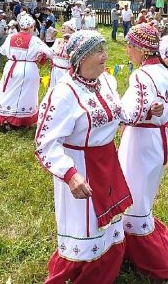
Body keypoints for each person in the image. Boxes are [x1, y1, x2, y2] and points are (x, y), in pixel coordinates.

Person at [35, 31, 134, 284]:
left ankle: (105, 268)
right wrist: (70, 175)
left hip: (108, 161)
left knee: (110, 221)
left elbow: (119, 113)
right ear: (81, 58)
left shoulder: (108, 82)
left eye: (104, 50)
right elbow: (44, 143)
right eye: (99, 51)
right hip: (80, 165)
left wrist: (145, 111)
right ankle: (80, 272)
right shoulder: (63, 93)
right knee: (84, 225)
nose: (106, 56)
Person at [117, 23, 168, 280]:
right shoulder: (164, 70)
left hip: (141, 142)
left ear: (141, 50)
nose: (127, 51)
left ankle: (149, 258)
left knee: (133, 195)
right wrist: (160, 113)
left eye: (130, 46)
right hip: (158, 139)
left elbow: (132, 114)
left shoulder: (141, 76)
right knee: (143, 193)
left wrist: (109, 106)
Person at [0, 15, 54, 129]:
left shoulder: (11, 37)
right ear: (32, 26)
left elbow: (2, 51)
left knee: (8, 91)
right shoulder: (34, 40)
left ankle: (5, 117)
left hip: (11, 66)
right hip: (27, 68)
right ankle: (17, 121)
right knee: (25, 94)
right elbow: (49, 53)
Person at [47, 19, 77, 94]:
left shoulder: (74, 42)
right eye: (62, 27)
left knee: (64, 90)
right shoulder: (58, 40)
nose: (63, 28)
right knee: (54, 90)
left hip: (66, 70)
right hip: (55, 70)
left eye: (65, 27)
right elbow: (51, 51)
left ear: (72, 30)